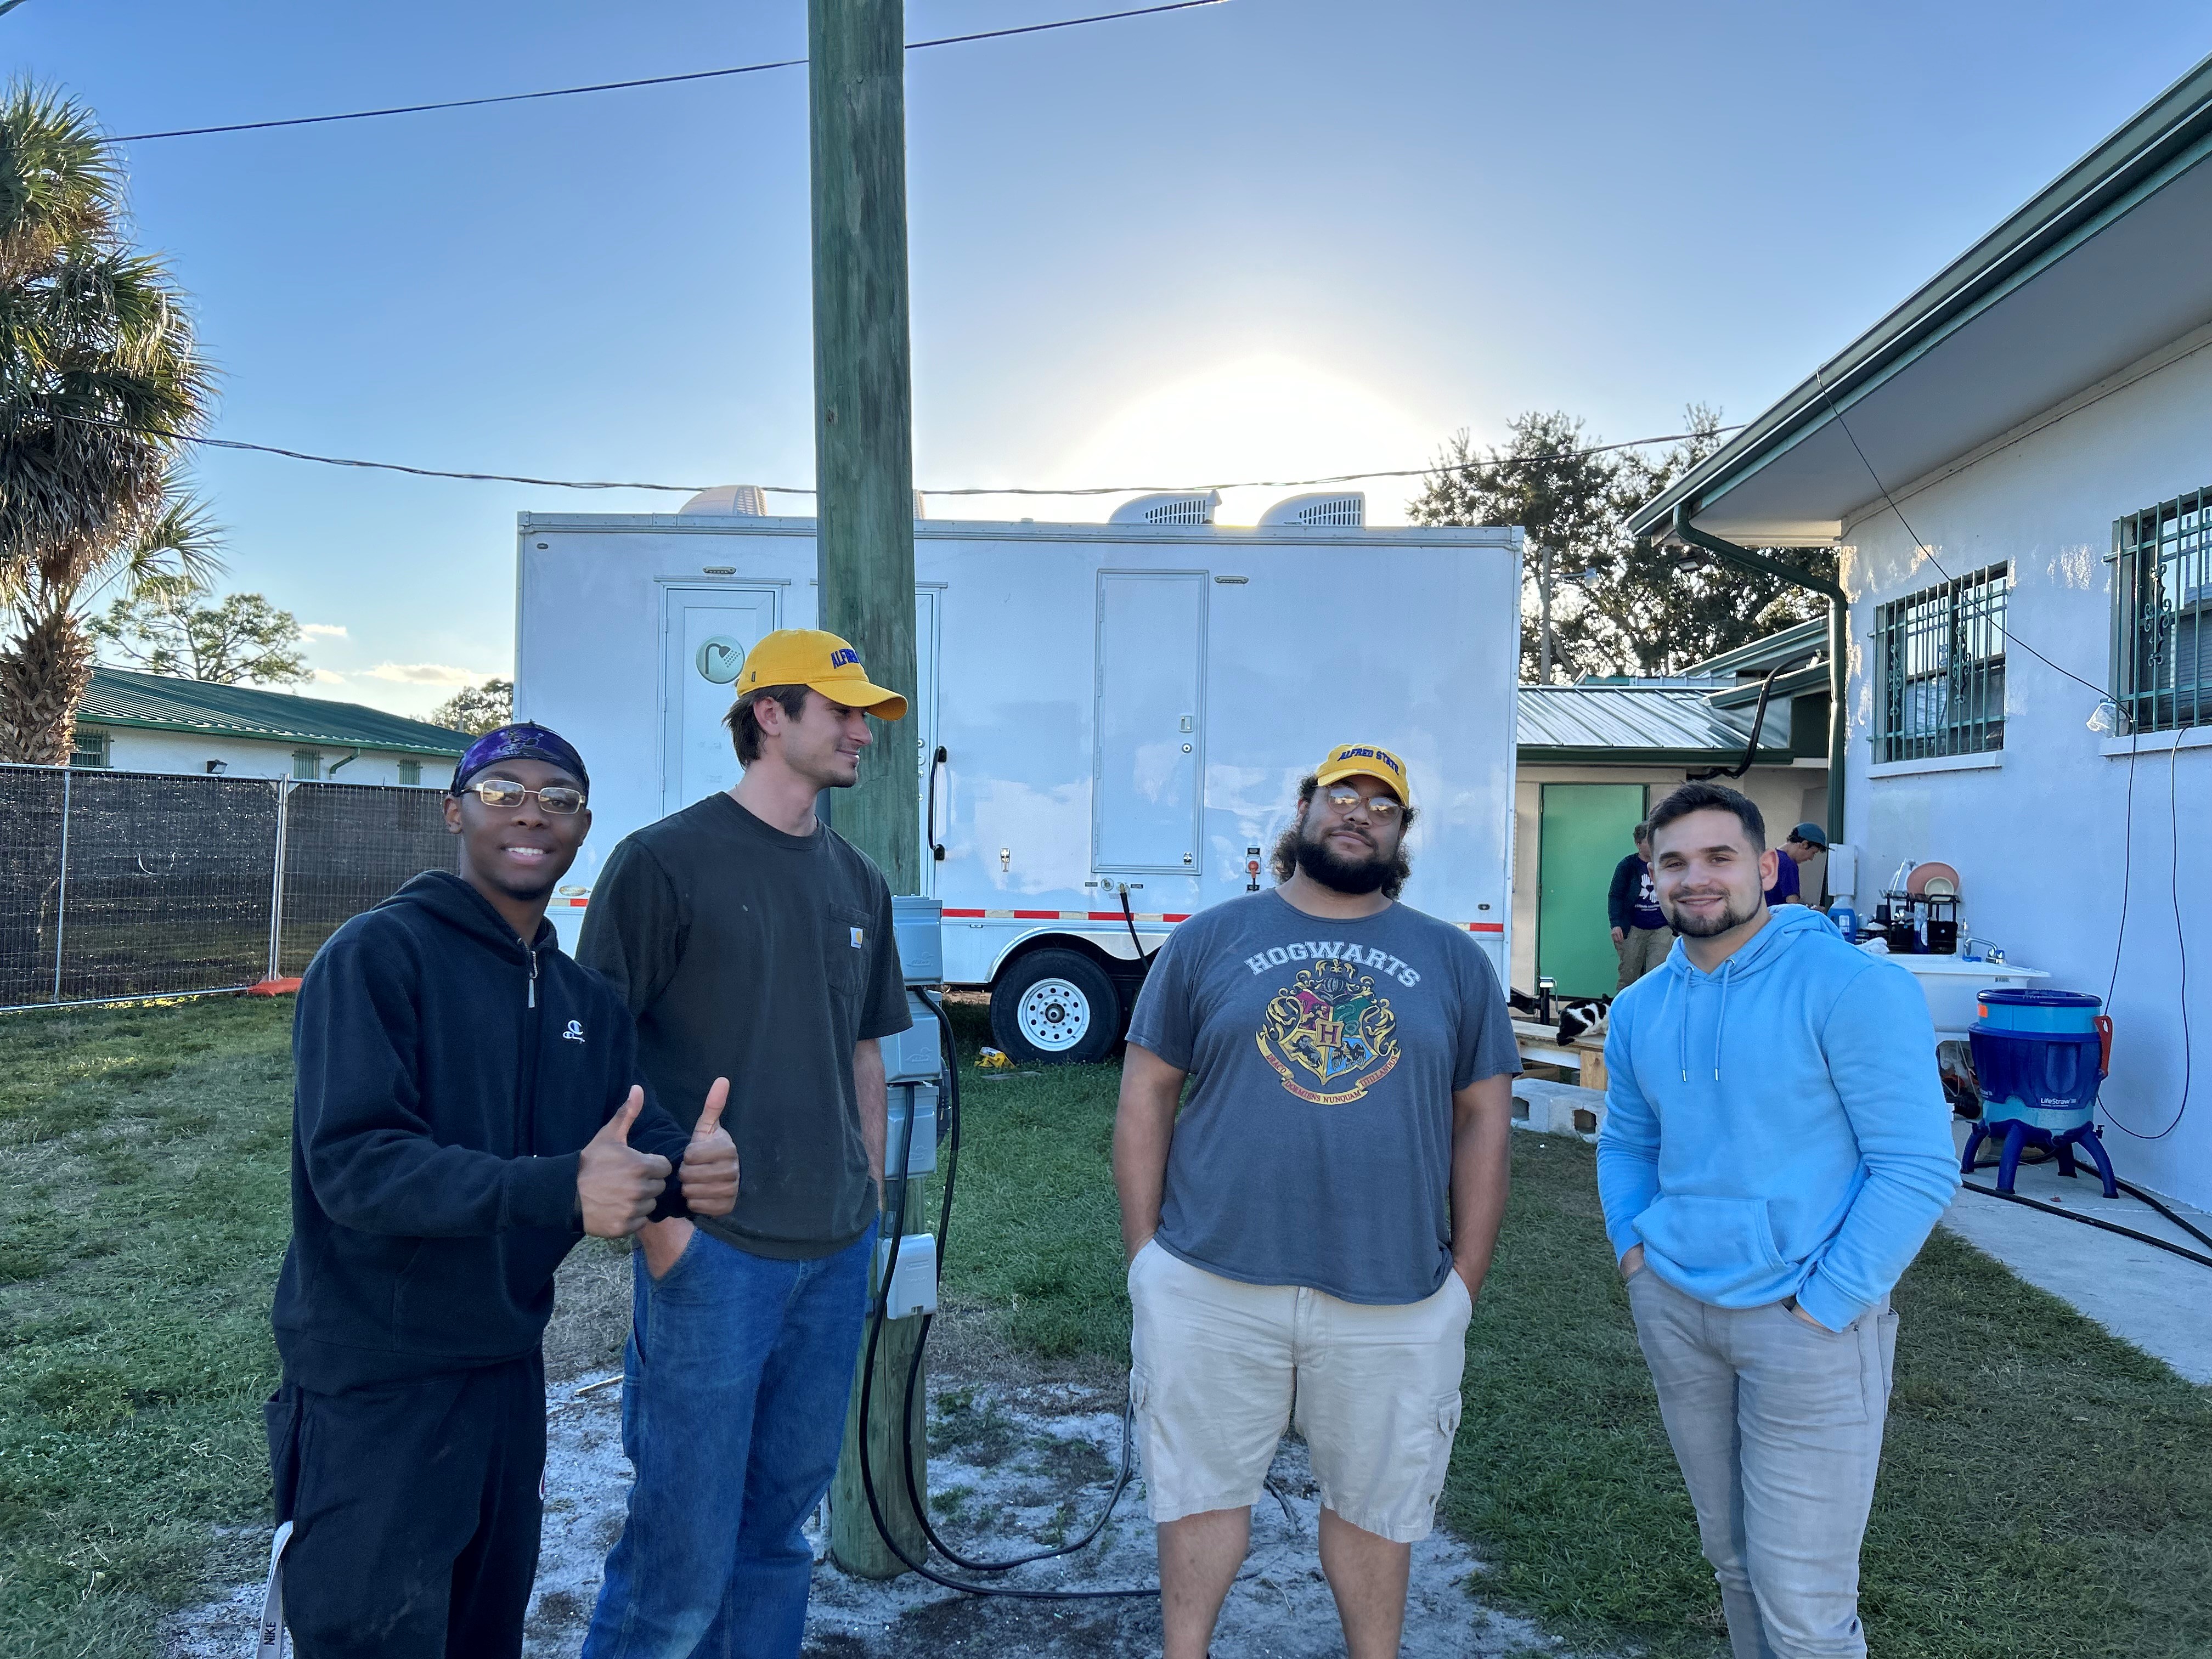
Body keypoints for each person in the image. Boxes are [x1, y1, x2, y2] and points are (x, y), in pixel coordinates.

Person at [266, 724, 740, 1659]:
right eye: (502, 790)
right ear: (454, 810)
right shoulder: (376, 956)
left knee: (485, 1633)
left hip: (507, 1374)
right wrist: (564, 1186)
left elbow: (623, 1124)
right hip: (375, 1379)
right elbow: (356, 1164)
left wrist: (692, 1168)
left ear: (584, 825)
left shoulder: (584, 998)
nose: (532, 811)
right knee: (371, 1636)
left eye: (558, 797)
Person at [1114, 743, 1520, 1659]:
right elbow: (1145, 1094)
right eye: (1342, 793)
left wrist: (1462, 1281)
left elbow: (1484, 1121)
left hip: (1394, 1293)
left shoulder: (1453, 960)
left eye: (1383, 803)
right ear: (1303, 808)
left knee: (1378, 1511)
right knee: (1198, 1495)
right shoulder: (1210, 938)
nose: (1359, 811)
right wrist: (1147, 1256)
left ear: (1401, 832)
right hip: (1210, 1278)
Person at [578, 630, 913, 1659]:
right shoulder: (662, 860)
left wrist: (866, 1197)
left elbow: (864, 1051)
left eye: (866, 713)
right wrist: (663, 1225)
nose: (864, 731)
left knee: (777, 1536)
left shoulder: (857, 880)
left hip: (832, 1247)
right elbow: (593, 1058)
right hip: (712, 1257)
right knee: (680, 1556)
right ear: (769, 712)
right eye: (842, 709)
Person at [1596, 781, 1958, 1659]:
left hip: (1807, 1325)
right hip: (1678, 1310)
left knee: (1804, 1599)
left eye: (1719, 858)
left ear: (1766, 867)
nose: (1696, 879)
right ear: (1652, 876)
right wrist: (1636, 1255)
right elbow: (1626, 1145)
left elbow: (1915, 1166)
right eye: (1674, 862)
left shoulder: (1852, 987)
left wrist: (1830, 1305)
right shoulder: (1642, 1007)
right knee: (1734, 1563)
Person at [1608, 822, 1671, 987]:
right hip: (1634, 928)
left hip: (1662, 928)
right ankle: (1623, 1011)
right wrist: (1616, 924)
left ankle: (1651, 1012)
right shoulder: (1627, 866)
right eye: (1648, 841)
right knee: (1629, 976)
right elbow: (1615, 896)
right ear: (1638, 843)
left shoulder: (1665, 864)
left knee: (1656, 977)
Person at [1763, 820, 1826, 908]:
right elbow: (1793, 907)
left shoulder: (1766, 857)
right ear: (1804, 844)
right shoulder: (1788, 864)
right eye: (1813, 853)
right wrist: (1813, 911)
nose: (1811, 859)